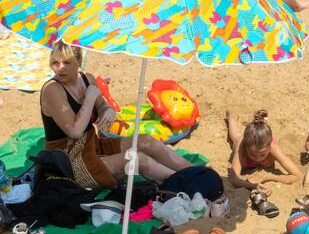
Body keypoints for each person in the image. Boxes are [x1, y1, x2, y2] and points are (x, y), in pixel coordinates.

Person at [41, 42, 195, 188]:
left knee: (145, 141)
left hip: (93, 147)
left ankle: (198, 174)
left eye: (66, 63)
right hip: (68, 161)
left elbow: (101, 104)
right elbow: (74, 132)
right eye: (55, 63)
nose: (60, 68)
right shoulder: (53, 90)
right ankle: (189, 184)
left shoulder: (87, 79)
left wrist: (107, 110)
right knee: (137, 159)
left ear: (79, 62)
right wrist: (89, 99)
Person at [225, 109, 302, 195]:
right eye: (253, 154)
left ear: (269, 147)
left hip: (264, 142)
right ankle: (231, 117)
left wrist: (269, 177)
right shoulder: (242, 146)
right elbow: (234, 179)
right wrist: (253, 186)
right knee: (235, 137)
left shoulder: (273, 148)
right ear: (246, 147)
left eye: (262, 154)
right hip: (243, 143)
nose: (257, 158)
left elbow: (297, 175)